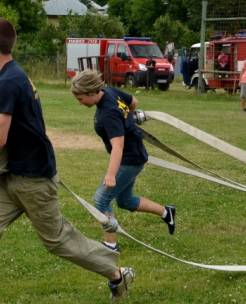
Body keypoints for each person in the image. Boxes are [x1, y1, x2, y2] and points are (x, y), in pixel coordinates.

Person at [0, 18, 135, 304]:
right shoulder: (14, 77)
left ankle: (116, 273)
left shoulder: (9, 82)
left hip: (35, 180)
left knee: (58, 241)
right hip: (13, 177)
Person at [70, 69, 176, 253]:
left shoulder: (107, 113)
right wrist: (129, 119)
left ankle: (111, 246)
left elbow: (118, 146)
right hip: (135, 153)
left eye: (80, 99)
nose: (79, 103)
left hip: (129, 159)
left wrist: (111, 174)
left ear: (92, 93)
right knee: (125, 201)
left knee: (101, 199)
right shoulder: (110, 92)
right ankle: (167, 212)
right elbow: (133, 102)